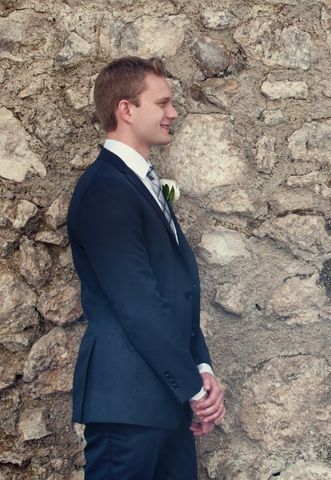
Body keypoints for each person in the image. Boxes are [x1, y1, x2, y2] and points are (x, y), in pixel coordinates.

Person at [67, 56, 225, 479]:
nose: (173, 113)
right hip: (128, 401)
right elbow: (137, 303)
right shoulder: (106, 189)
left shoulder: (141, 185)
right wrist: (193, 388)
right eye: (163, 103)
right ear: (126, 109)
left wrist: (203, 369)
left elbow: (175, 291)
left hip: (165, 399)